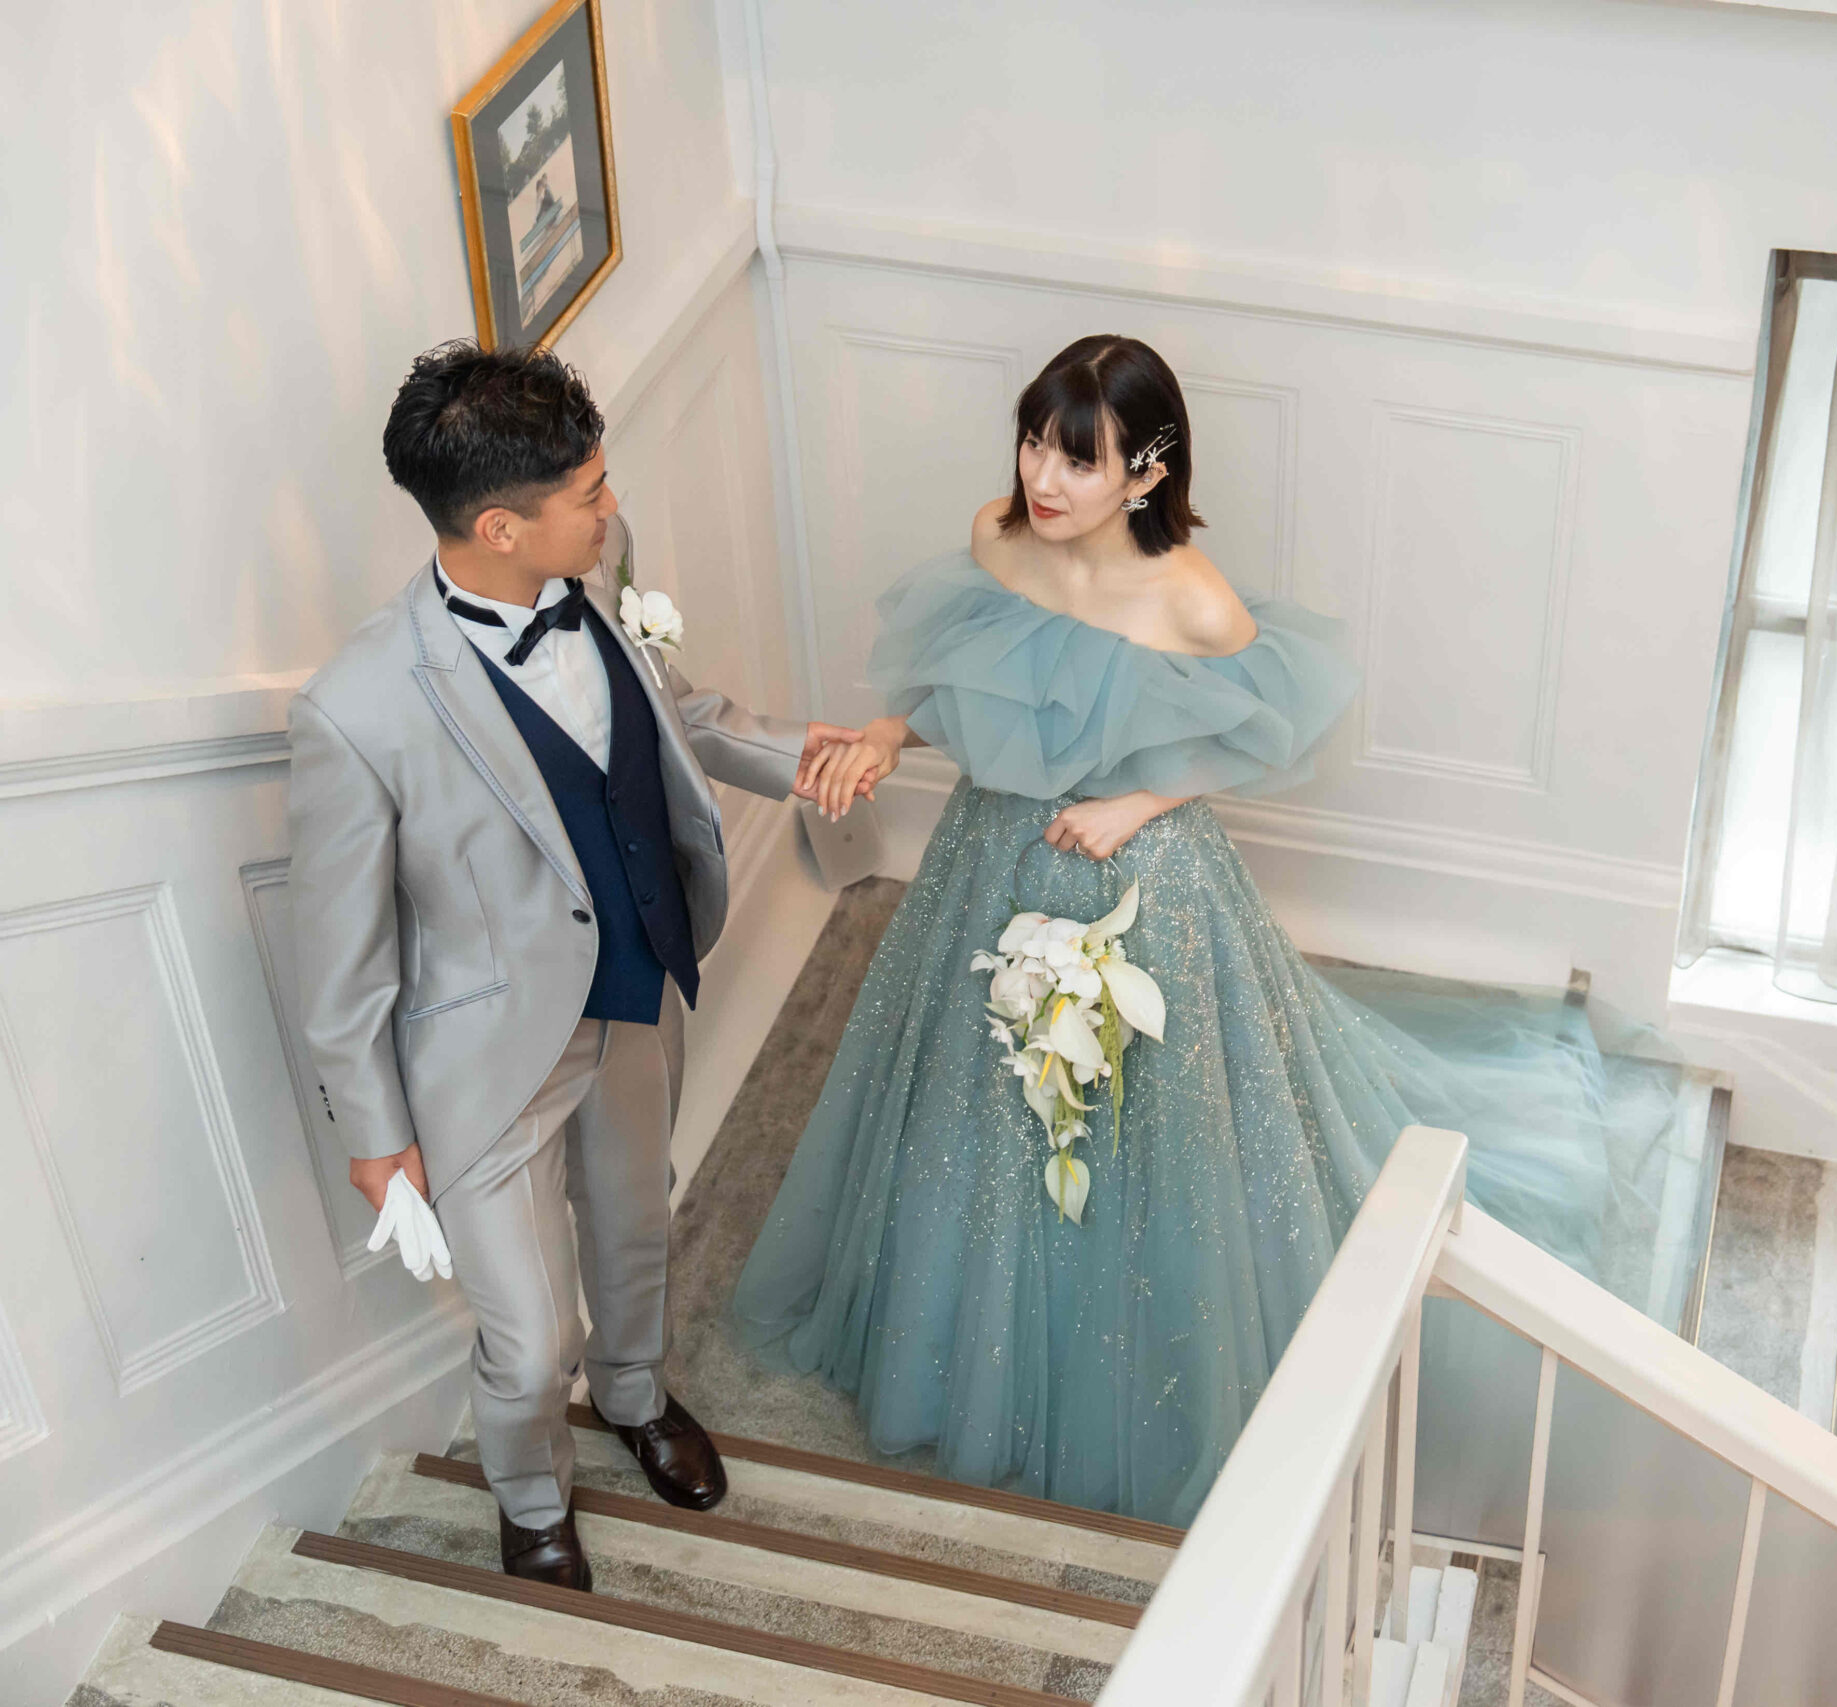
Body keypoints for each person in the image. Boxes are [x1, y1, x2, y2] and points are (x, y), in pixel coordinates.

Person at [732, 334, 1662, 1525]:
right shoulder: (999, 537)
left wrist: (1138, 802)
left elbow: (1263, 731)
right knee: (979, 1100)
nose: (1043, 479)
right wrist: (883, 734)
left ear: (1148, 470)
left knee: (1148, 1120)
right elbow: (969, 679)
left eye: (1079, 459)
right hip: (988, 855)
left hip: (1135, 877)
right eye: (1033, 444)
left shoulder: (1191, 597)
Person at [288, 341, 866, 1589]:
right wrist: (374, 1136)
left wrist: (803, 756)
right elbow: (338, 952)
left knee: (637, 1220)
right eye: (590, 492)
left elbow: (675, 712)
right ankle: (532, 1498)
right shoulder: (357, 709)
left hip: (636, 989)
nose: (613, 507)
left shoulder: (594, 569)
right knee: (527, 1327)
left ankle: (635, 1393)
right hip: (487, 1057)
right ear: (500, 527)